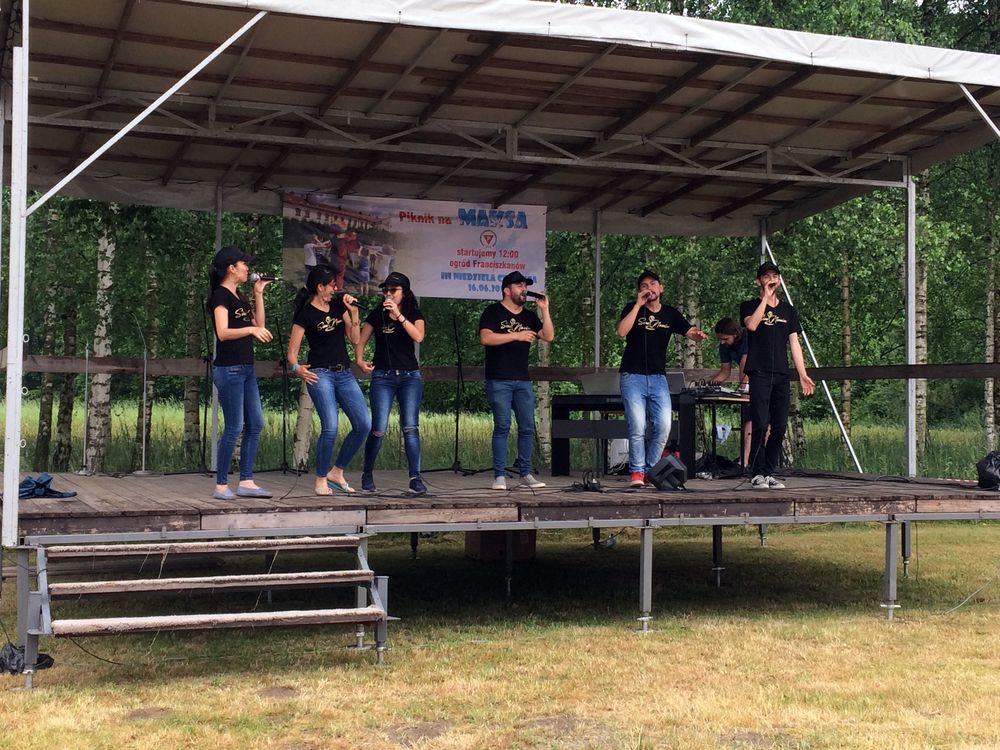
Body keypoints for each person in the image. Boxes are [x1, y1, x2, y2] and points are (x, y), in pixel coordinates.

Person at [617, 270, 708, 489]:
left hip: (658, 378)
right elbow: (621, 331)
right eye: (644, 285)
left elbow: (689, 331)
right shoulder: (632, 308)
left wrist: (696, 335)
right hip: (632, 376)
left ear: (661, 288)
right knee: (637, 424)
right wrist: (638, 305)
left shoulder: (670, 314)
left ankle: (651, 470)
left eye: (653, 284)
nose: (649, 288)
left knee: (664, 425)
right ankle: (637, 471)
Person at [287, 265, 372, 495]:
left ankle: (337, 471)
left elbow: (355, 339)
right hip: (320, 373)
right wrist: (296, 368)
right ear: (320, 287)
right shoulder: (306, 313)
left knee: (364, 424)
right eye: (332, 285)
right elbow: (292, 353)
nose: (335, 288)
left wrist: (354, 312)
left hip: (344, 373)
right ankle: (321, 479)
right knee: (331, 427)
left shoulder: (337, 306)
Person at [740, 261, 816, 489]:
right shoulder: (748, 305)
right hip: (759, 371)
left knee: (780, 425)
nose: (771, 280)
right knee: (760, 423)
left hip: (781, 373)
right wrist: (765, 298)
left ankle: (769, 471)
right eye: (766, 276)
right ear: (758, 281)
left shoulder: (788, 311)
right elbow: (752, 326)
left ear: (780, 280)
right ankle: (756, 472)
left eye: (775, 276)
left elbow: (794, 343)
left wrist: (802, 373)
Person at [207, 245, 273, 500]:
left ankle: (246, 481)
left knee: (255, 424)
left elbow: (260, 326)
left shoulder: (240, 297)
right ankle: (221, 485)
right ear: (231, 268)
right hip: (229, 369)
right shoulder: (220, 296)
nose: (248, 268)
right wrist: (250, 330)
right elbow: (223, 333)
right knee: (235, 426)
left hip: (246, 368)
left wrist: (258, 294)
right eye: (244, 264)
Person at [479, 271, 554, 490]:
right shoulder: (493, 311)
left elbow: (548, 336)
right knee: (502, 426)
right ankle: (499, 476)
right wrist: (517, 335)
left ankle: (525, 474)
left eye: (525, 286)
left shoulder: (529, 316)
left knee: (527, 427)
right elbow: (486, 337)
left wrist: (545, 310)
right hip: (498, 378)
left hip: (522, 379)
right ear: (507, 290)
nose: (524, 290)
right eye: (519, 285)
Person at [354, 271, 427, 495]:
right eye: (385, 290)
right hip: (383, 376)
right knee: (378, 428)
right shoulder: (378, 313)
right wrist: (359, 360)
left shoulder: (413, 312)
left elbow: (419, 336)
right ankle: (367, 474)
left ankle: (415, 478)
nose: (388, 294)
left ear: (404, 292)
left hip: (409, 376)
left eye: (393, 290)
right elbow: (360, 340)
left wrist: (399, 316)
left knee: (410, 427)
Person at [710, 317, 751, 468]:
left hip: (761, 376)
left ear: (736, 334)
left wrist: (744, 390)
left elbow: (745, 367)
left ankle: (747, 460)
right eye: (720, 339)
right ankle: (745, 459)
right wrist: (709, 384)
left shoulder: (748, 337)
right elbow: (725, 372)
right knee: (749, 418)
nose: (722, 342)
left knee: (756, 419)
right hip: (748, 381)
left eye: (725, 339)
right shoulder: (725, 346)